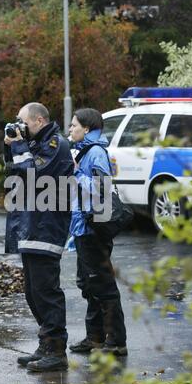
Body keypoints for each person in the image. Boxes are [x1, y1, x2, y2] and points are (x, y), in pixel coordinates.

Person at [4, 102, 74, 372]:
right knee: (33, 293)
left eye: (24, 122)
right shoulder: (33, 144)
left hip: (46, 227)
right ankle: (46, 344)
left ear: (40, 120)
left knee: (47, 292)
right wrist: (10, 145)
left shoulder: (57, 145)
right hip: (31, 227)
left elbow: (34, 174)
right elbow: (15, 172)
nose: (21, 127)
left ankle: (57, 352)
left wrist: (21, 147)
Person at [68, 108, 128, 356]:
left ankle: (116, 342)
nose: (70, 129)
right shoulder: (84, 151)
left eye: (74, 125)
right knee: (88, 283)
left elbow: (100, 188)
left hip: (94, 229)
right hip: (83, 228)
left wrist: (75, 172)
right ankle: (95, 338)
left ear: (87, 128)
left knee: (103, 286)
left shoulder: (95, 153)